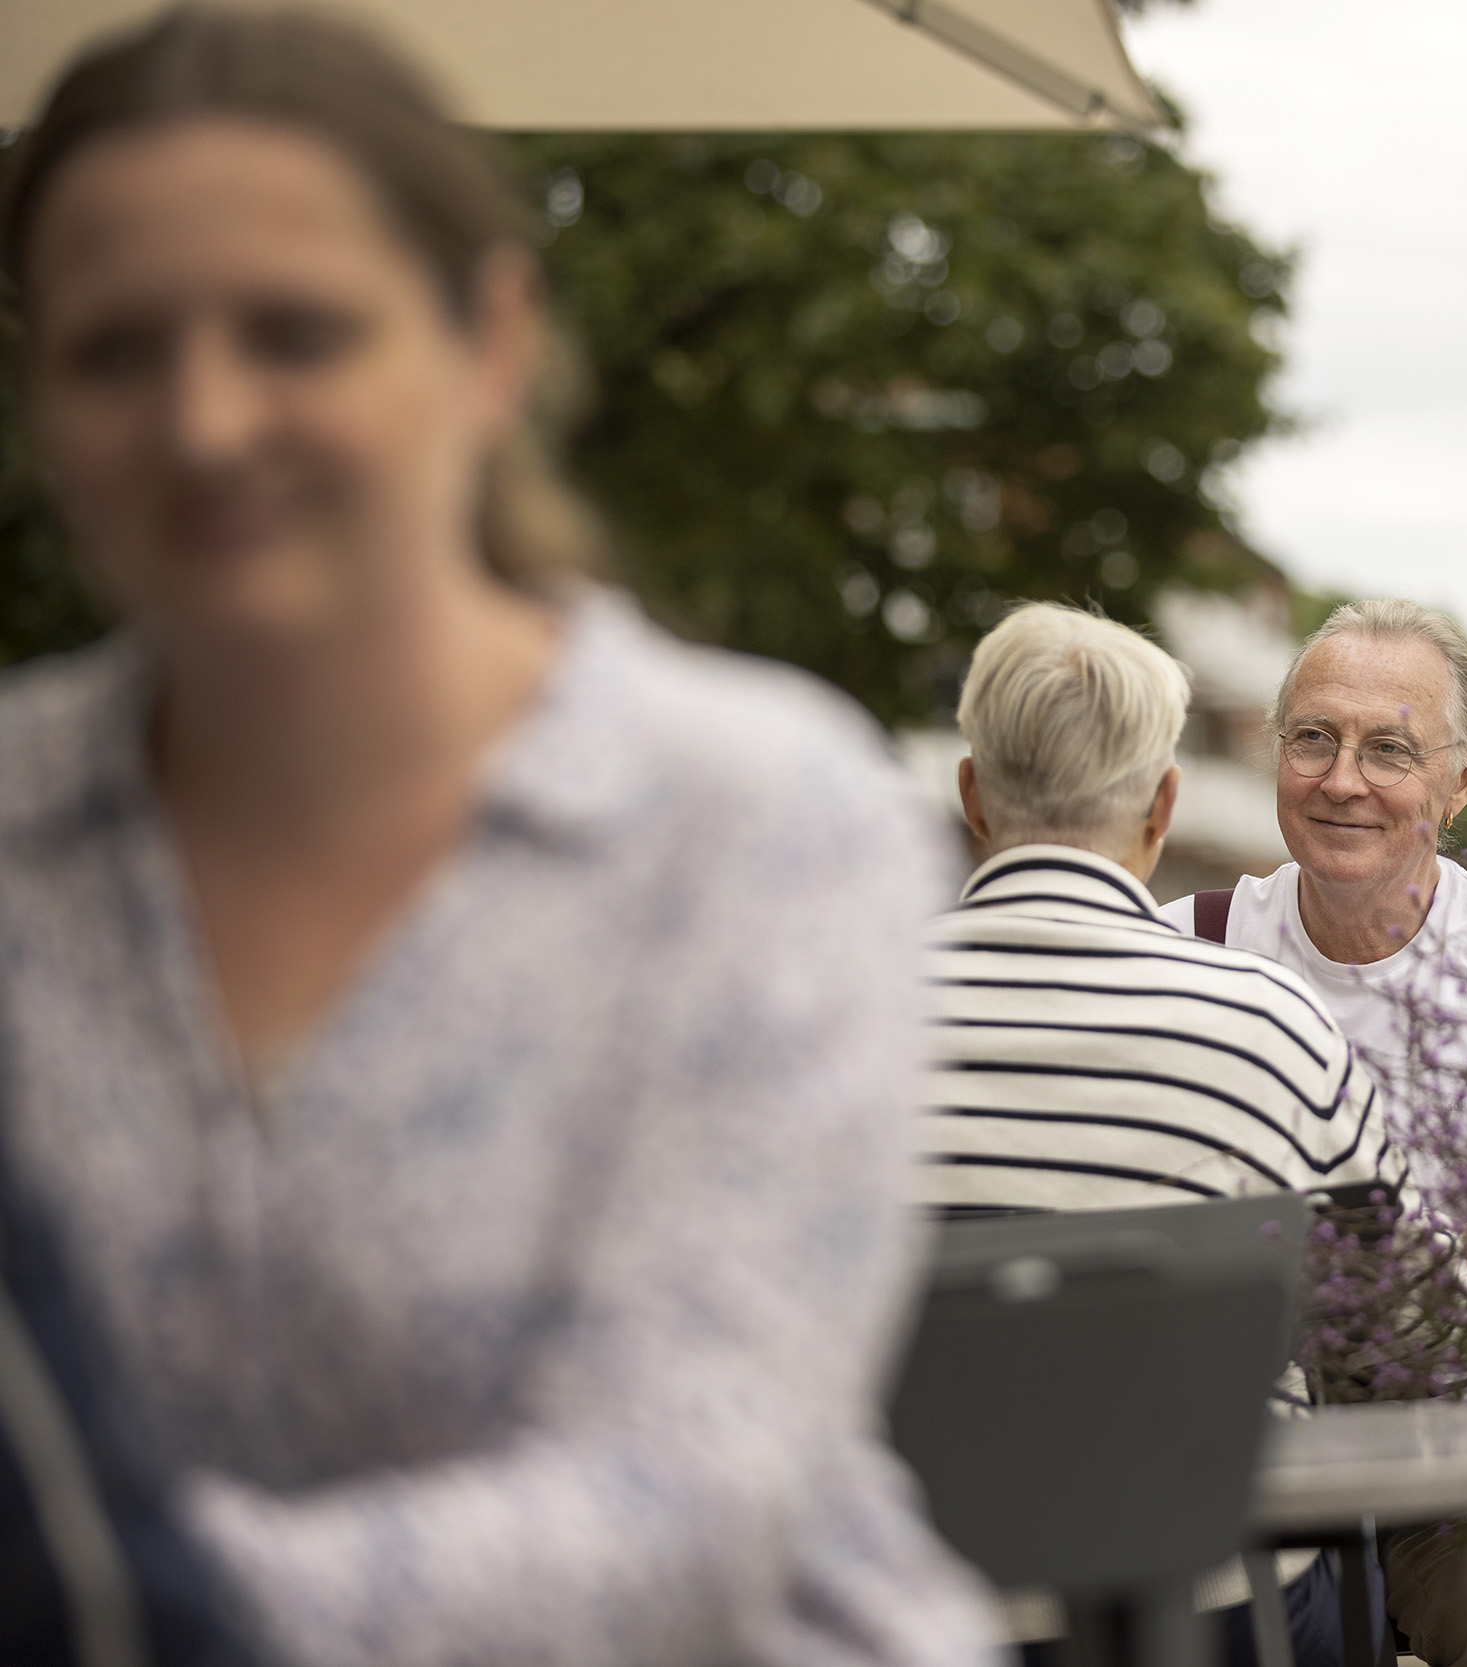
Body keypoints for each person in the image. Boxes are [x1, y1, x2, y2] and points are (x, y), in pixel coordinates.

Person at [0, 9, 989, 1664]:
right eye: (115, 350)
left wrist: (108, 1598)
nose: (205, 422)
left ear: (488, 343)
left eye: (296, 334)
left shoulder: (755, 818)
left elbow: (679, 1504)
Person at [923, 602, 1402, 1663]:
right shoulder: (1270, 1022)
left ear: (971, 795)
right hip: (1221, 1614)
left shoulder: (825, 1024)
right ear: (1162, 804)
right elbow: (1408, 1331)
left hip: (910, 1608)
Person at [1159, 598, 1467, 1667]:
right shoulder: (1192, 943)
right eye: (1312, 737)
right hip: (1236, 1442)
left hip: (1464, 1441)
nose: (1341, 778)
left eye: (1389, 749)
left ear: (1460, 782)